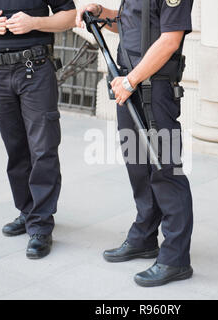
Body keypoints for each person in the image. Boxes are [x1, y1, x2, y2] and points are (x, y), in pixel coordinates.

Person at [76, 0, 194, 287]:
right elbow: (133, 24)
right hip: (128, 86)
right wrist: (102, 14)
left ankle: (175, 258)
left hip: (155, 89)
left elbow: (169, 40)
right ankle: (144, 237)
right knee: (138, 166)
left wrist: (130, 80)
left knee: (165, 169)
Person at [0, 0, 77, 259]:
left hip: (35, 68)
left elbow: (69, 15)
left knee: (43, 148)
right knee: (16, 148)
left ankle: (41, 226)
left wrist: (35, 22)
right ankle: (28, 211)